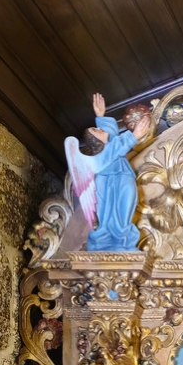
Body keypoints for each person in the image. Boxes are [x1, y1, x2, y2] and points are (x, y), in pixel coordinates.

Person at [64, 93, 151, 252]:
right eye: (96, 130)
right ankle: (114, 242)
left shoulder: (114, 146)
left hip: (124, 180)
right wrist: (133, 136)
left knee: (126, 211)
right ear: (95, 140)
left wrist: (101, 116)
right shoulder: (99, 158)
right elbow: (115, 147)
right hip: (108, 188)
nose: (99, 129)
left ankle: (123, 239)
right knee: (113, 218)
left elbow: (112, 136)